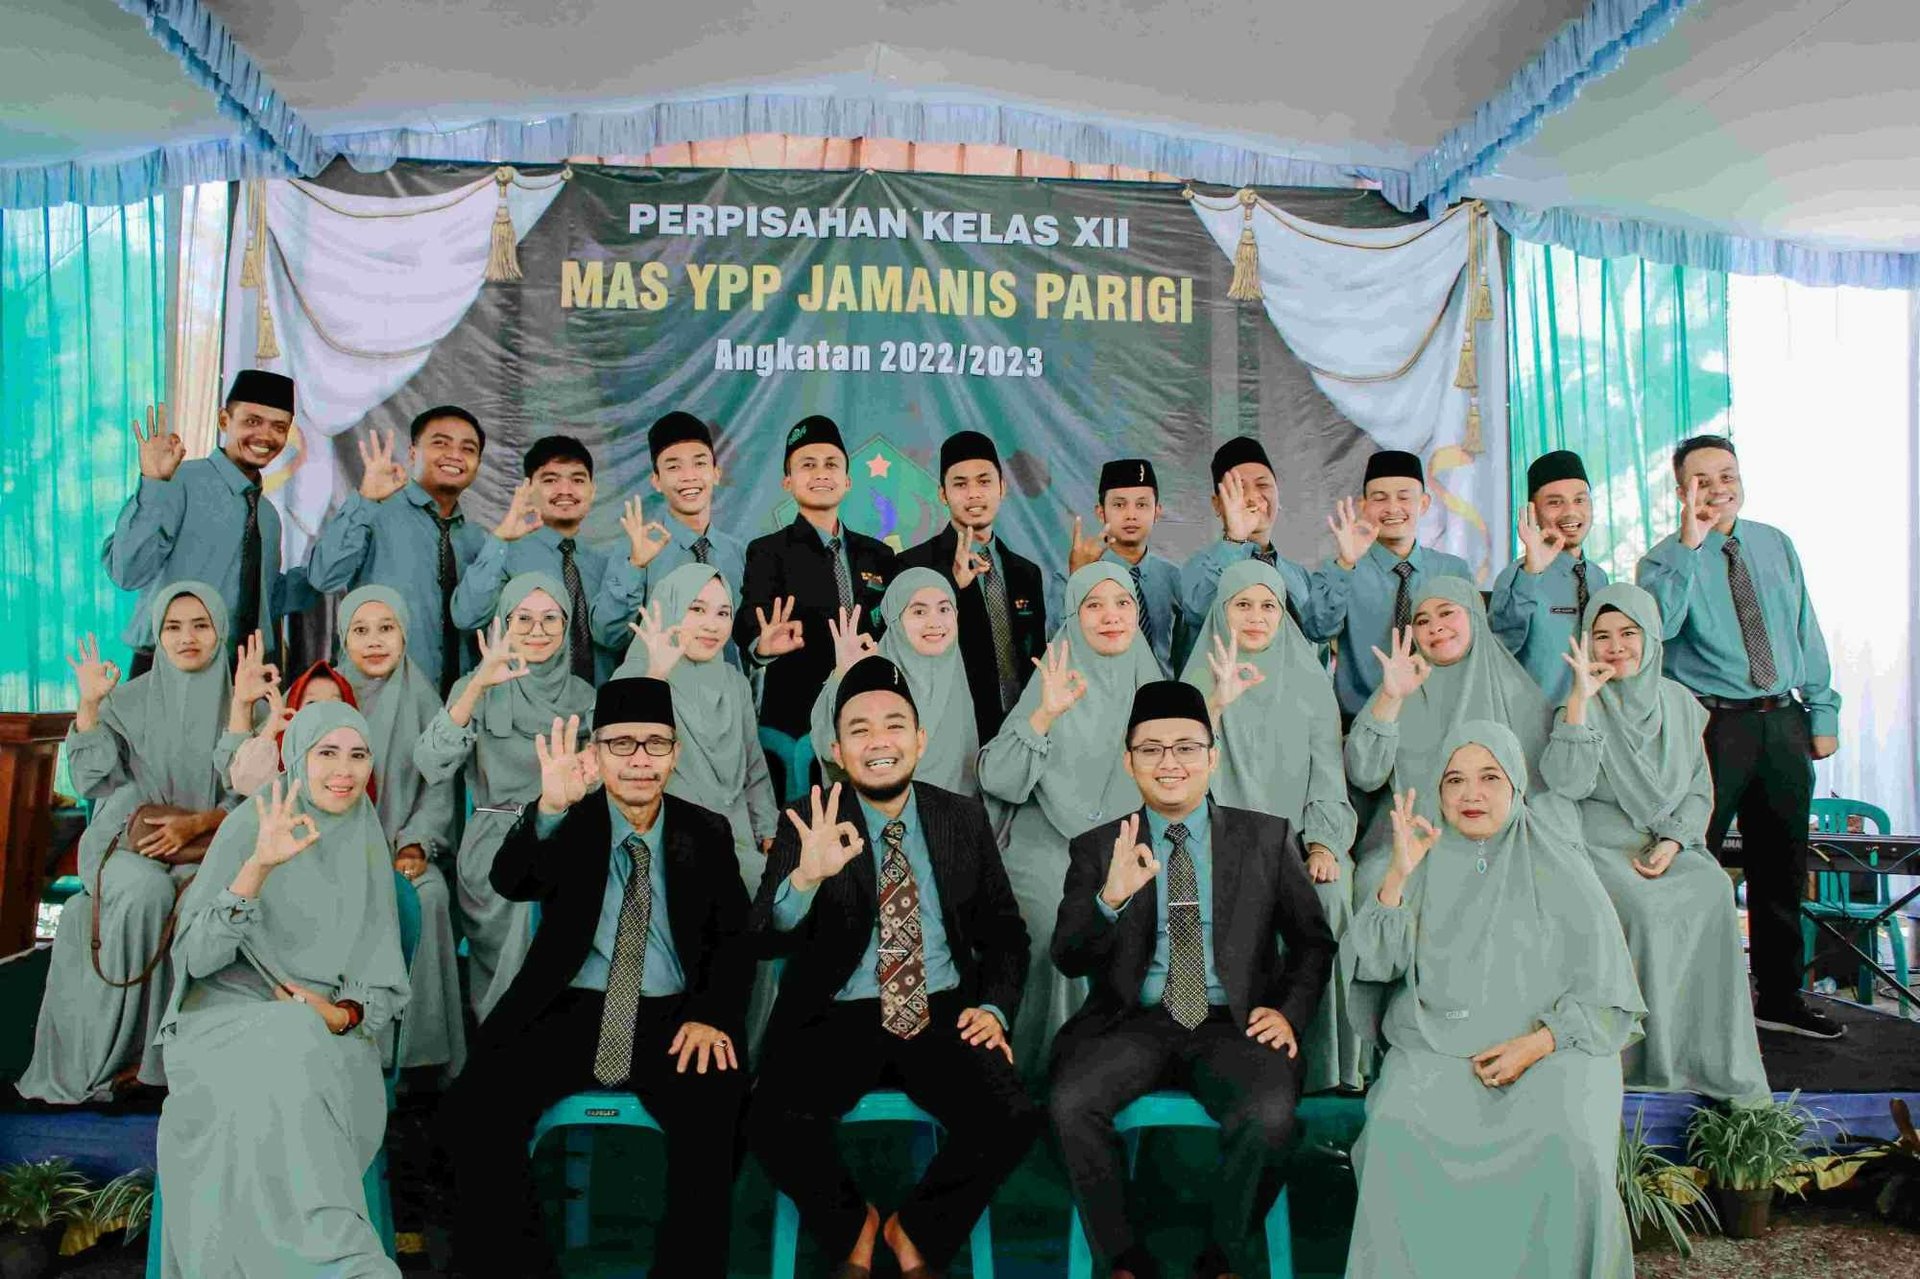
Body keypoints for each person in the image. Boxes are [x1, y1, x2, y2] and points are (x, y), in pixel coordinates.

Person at [440, 681, 751, 1279]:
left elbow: (733, 940)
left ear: (676, 753)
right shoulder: (571, 819)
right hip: (568, 1007)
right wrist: (548, 811)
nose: (639, 758)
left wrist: (711, 1012)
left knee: (721, 1109)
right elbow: (510, 881)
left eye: (655, 744)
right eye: (622, 744)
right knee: (474, 1111)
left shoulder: (705, 831)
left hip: (673, 1015)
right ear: (598, 752)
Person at [749, 656, 1038, 1279]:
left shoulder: (959, 816)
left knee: (1011, 1114)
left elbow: (1006, 934)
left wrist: (992, 1008)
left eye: (894, 725)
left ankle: (917, 1231)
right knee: (769, 1117)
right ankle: (854, 1229)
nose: (879, 741)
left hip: (941, 1008)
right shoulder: (810, 815)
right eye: (859, 729)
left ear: (920, 738)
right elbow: (764, 942)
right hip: (836, 1012)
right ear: (836, 747)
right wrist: (803, 878)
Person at [1050, 681, 1336, 1279]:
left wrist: (1288, 1012)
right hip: (1130, 1021)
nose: (1169, 762)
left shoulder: (1265, 837)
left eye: (1186, 747)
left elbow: (1312, 941)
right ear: (1128, 762)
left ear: (1213, 756)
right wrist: (1110, 897)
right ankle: (1124, 1259)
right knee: (1071, 1104)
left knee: (1270, 1116)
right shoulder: (1100, 846)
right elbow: (1069, 957)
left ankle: (1223, 1255)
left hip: (1234, 1021)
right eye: (1151, 749)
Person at [1343, 722, 1643, 1279]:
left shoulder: (1561, 862)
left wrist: (1540, 1043)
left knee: (1568, 1139)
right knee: (1395, 1125)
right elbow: (1377, 968)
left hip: (1553, 1049)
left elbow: (1608, 993)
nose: (1470, 794)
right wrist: (1397, 878)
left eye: (1489, 777)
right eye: (1454, 780)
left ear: (1517, 786)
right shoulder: (1419, 860)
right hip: (1435, 1047)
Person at [151, 702, 409, 1279]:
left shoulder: (366, 840)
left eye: (358, 755)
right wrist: (259, 868)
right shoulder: (253, 823)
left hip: (330, 1040)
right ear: (298, 758)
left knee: (295, 1040)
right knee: (281, 1044)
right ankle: (334, 1262)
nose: (344, 770)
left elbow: (384, 987)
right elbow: (196, 959)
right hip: (221, 1022)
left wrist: (336, 1015)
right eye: (326, 753)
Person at [1637, 434, 1842, 1040]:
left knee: (1780, 867)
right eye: (1701, 480)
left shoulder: (1775, 544)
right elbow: (1658, 630)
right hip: (1711, 725)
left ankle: (1779, 997)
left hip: (1782, 721)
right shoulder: (1662, 561)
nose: (1718, 489)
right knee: (1690, 861)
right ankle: (1682, 1003)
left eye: (1726, 475)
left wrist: (1821, 714)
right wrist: (1691, 547)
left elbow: (1806, 627)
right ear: (1681, 492)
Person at [1540, 585, 1770, 1102]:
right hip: (1596, 844)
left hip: (1665, 841)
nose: (1615, 646)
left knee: (1711, 888)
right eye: (1601, 636)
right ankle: (1642, 1057)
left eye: (1628, 634)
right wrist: (1580, 700)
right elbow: (1566, 785)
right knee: (1643, 908)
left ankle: (1705, 1054)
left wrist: (1672, 842)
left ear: (1650, 640)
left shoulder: (1680, 704)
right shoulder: (1576, 701)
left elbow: (1697, 788)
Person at [17, 584, 234, 1104]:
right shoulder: (128, 700)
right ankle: (112, 1059)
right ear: (156, 635)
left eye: (200, 625)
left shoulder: (240, 700)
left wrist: (197, 824)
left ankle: (161, 1064)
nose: (187, 638)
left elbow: (254, 794)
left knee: (195, 895)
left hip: (214, 845)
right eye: (173, 627)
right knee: (143, 893)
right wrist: (90, 706)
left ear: (220, 630)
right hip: (126, 843)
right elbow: (92, 778)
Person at [1181, 561, 1361, 1093]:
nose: (1257, 618)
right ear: (1222, 613)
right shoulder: (1198, 682)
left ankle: (1326, 1069)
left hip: (1299, 842)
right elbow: (1181, 775)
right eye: (1242, 605)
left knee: (1330, 899)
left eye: (1268, 606)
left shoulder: (1308, 684)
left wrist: (1325, 844)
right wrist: (1216, 702)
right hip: (1218, 840)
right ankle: (1225, 1057)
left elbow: (1329, 777)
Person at [979, 563, 1163, 1073]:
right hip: (1048, 835)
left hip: (1129, 843)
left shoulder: (1152, 682)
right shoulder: (1055, 674)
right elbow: (998, 777)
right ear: (1074, 615)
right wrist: (1045, 713)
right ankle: (1036, 1072)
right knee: (1045, 927)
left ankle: (1124, 1067)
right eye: (1094, 605)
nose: (1110, 616)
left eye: (1122, 604)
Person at [416, 573, 595, 1019]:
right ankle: (504, 1033)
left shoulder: (585, 696)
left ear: (568, 624)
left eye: (551, 618)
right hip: (495, 837)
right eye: (524, 619)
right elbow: (431, 762)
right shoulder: (475, 686)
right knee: (521, 897)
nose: (538, 631)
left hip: (567, 832)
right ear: (504, 623)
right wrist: (478, 684)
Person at [1342, 577, 1555, 900]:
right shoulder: (1400, 684)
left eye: (1446, 613)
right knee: (1378, 883)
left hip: (1501, 839)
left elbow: (1544, 790)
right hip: (1413, 838)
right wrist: (1390, 698)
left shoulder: (1517, 691)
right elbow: (1364, 775)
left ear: (1475, 617)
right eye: (1423, 620)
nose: (1435, 627)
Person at [334, 586, 467, 1078]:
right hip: (330, 851)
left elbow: (439, 789)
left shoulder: (425, 698)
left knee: (427, 894)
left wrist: (416, 842)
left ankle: (420, 1058)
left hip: (399, 848)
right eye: (360, 631)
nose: (374, 642)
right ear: (342, 639)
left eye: (386, 629)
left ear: (404, 635)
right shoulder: (324, 694)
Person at [104, 372, 309, 675]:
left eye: (278, 427)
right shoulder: (176, 481)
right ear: (224, 420)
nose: (265, 435)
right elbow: (126, 572)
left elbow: (267, 600)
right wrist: (154, 484)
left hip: (239, 678)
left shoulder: (267, 515)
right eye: (252, 421)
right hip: (166, 671)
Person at [735, 415, 895, 795]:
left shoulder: (880, 555)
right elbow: (746, 622)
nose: (820, 473)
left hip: (869, 719)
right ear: (787, 481)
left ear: (848, 480)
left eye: (831, 464)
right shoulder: (768, 551)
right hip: (796, 726)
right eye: (807, 464)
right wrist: (762, 647)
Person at [306, 406, 490, 696]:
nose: (454, 455)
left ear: (477, 463)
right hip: (378, 696)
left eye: (468, 449)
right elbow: (323, 576)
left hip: (455, 707)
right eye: (440, 443)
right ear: (413, 453)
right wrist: (365, 500)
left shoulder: (478, 540)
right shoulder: (376, 511)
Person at [615, 564, 777, 891]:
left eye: (723, 613)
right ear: (669, 609)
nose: (711, 625)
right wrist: (655, 677)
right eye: (696, 609)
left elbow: (753, 765)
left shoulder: (734, 683)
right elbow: (620, 760)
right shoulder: (634, 678)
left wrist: (768, 831)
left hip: (737, 839)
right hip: (663, 846)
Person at [894, 429, 1047, 741]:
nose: (974, 493)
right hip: (948, 734)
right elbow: (905, 659)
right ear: (942, 494)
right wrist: (954, 585)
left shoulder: (1026, 573)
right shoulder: (913, 566)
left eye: (984, 481)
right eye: (960, 484)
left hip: (1023, 731)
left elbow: (1037, 657)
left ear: (1003, 488)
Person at [1301, 449, 1473, 720]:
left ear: (1425, 503)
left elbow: (1474, 649)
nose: (1393, 508)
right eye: (1380, 498)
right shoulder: (1341, 569)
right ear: (1364, 506)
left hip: (1442, 719)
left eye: (1404, 497)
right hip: (1363, 721)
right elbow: (1317, 630)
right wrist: (1346, 564)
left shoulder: (1453, 570)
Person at [452, 434, 614, 683]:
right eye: (550, 480)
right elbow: (466, 616)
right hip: (523, 710)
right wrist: (500, 540)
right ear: (528, 489)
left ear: (592, 490)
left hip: (596, 707)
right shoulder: (504, 552)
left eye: (577, 480)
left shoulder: (603, 564)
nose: (565, 490)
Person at [809, 567, 981, 797]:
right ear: (894, 619)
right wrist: (842, 677)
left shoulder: (958, 670)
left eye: (944, 609)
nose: (935, 622)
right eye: (919, 612)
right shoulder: (873, 672)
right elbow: (829, 749)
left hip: (954, 819)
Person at [596, 410, 747, 655]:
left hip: (729, 692)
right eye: (674, 466)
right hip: (660, 690)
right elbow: (608, 636)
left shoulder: (739, 554)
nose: (689, 477)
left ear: (716, 473)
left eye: (699, 463)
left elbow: (745, 646)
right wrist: (634, 567)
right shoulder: (635, 551)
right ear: (656, 480)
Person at [1490, 449, 1610, 702]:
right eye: (1555, 503)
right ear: (1533, 512)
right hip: (1536, 725)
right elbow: (1498, 648)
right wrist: (1532, 573)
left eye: (1580, 500)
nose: (1571, 512)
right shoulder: (1518, 576)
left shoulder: (1599, 578)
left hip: (1593, 724)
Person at [1179, 436, 1312, 638]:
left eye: (1263, 485)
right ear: (1217, 504)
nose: (1252, 497)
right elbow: (1198, 614)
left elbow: (1318, 650)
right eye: (1239, 488)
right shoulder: (1197, 568)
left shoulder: (1299, 575)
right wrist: (1235, 540)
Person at [1063, 458, 1185, 675]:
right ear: (1101, 512)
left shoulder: (1172, 576)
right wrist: (1079, 579)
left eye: (1142, 504)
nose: (1131, 514)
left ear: (1157, 511)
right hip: (1101, 698)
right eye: (1119, 505)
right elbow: (1058, 640)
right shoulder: (1074, 573)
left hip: (1162, 701)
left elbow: (1182, 651)